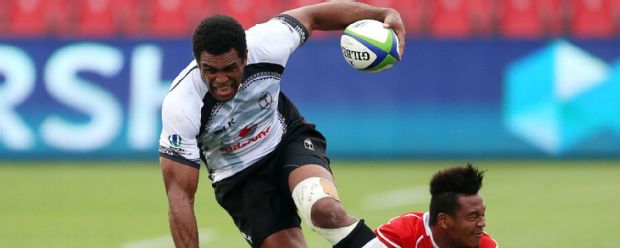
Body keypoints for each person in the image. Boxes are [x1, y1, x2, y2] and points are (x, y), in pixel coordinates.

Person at [158, 1, 406, 247]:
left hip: (287, 140)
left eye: (230, 68)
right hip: (239, 178)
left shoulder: (268, 42)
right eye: (210, 70)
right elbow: (180, 197)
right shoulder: (181, 105)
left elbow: (315, 15)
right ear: (198, 62)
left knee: (326, 211)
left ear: (245, 57)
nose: (220, 79)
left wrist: (382, 13)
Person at [369, 164, 498, 248]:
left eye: (482, 215)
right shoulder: (401, 235)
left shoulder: (485, 245)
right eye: (473, 216)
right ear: (444, 221)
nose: (482, 223)